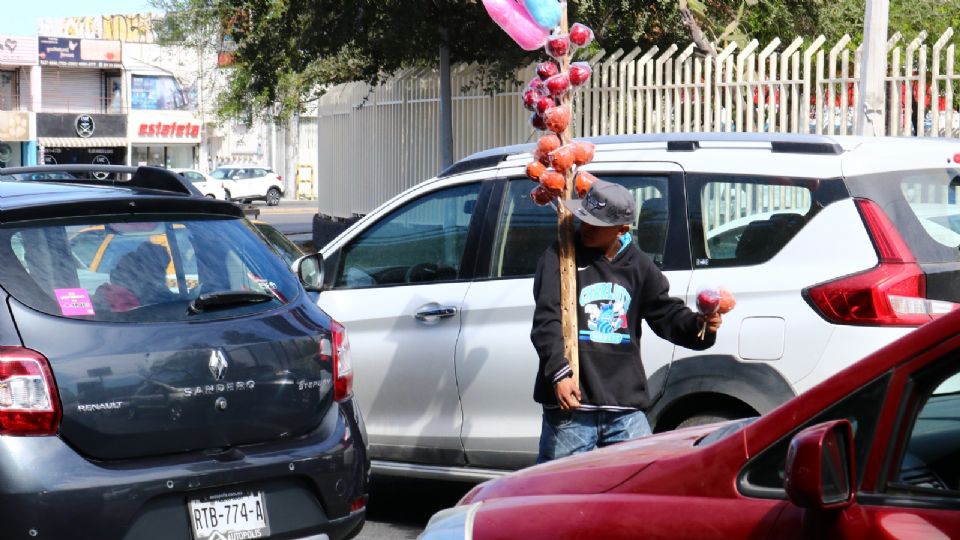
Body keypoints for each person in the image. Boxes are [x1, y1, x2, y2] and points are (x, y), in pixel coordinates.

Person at [531, 179, 722, 463]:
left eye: (596, 225)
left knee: (638, 483)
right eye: (584, 218)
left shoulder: (639, 266)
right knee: (557, 493)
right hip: (572, 407)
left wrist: (701, 326)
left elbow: (666, 314)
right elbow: (547, 319)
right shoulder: (561, 255)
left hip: (624, 409)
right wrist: (559, 372)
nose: (585, 227)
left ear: (621, 230)